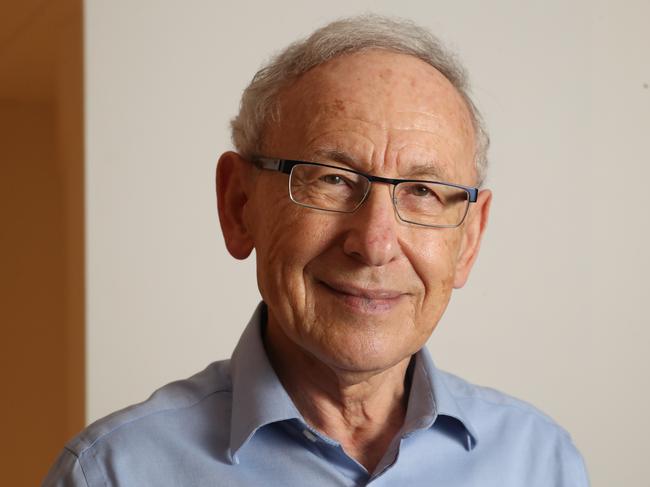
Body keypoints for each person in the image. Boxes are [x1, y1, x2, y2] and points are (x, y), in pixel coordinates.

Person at [43, 14, 590, 486]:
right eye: (331, 179)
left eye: (422, 191)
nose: (374, 245)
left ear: (469, 238)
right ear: (238, 205)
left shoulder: (542, 463)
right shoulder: (111, 473)